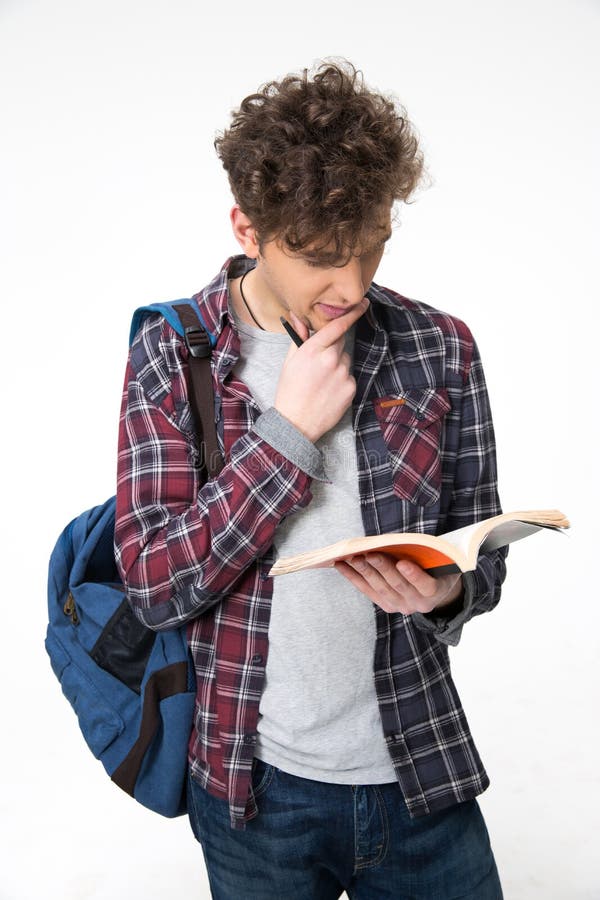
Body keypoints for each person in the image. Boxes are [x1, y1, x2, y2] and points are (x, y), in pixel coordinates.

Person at [115, 60, 506, 899]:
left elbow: (483, 550)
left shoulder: (440, 347)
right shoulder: (172, 355)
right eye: (323, 257)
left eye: (372, 249)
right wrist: (286, 435)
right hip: (256, 791)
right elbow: (153, 584)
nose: (353, 284)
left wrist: (444, 592)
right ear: (247, 228)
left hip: (419, 769)